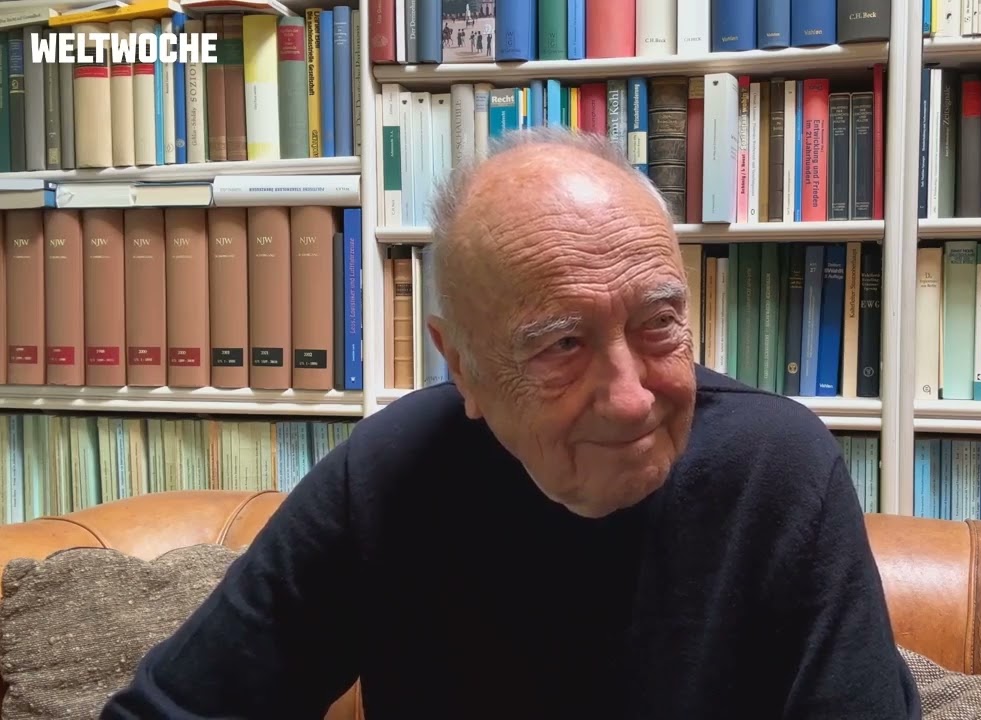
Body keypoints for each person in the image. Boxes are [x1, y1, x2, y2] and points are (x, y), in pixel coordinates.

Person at [100, 127, 922, 719]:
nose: (631, 397)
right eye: (562, 344)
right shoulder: (389, 477)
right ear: (461, 365)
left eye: (657, 323)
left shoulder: (779, 473)